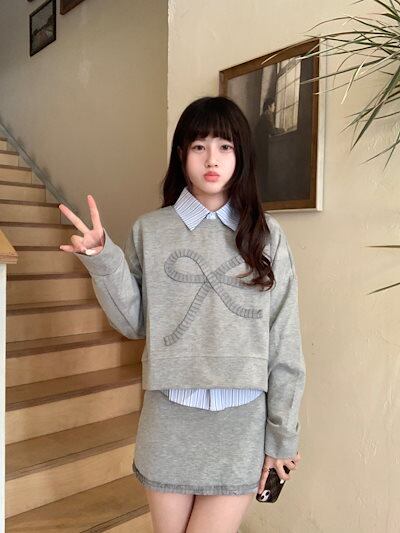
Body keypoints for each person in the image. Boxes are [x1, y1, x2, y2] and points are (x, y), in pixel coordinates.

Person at [58, 95, 306, 533]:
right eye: (198, 146)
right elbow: (133, 322)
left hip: (240, 425)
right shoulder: (150, 230)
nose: (212, 159)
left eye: (225, 146)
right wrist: (103, 258)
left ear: (241, 156)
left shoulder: (267, 235)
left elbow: (285, 343)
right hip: (168, 420)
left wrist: (282, 436)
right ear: (181, 154)